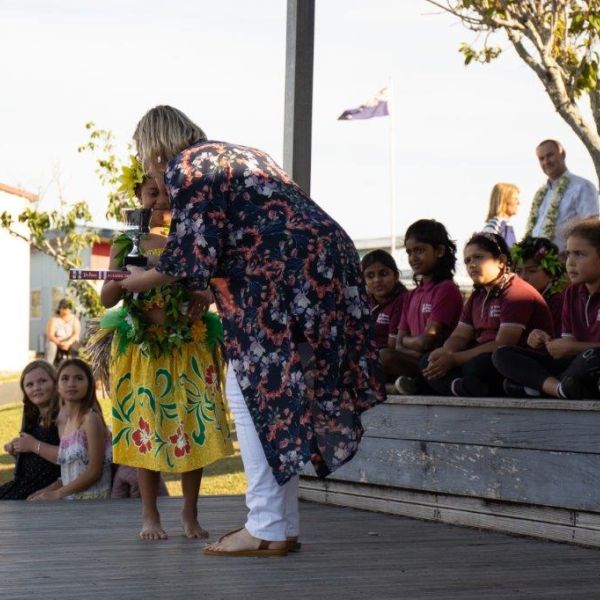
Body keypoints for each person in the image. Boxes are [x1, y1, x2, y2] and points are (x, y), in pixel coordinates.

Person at [120, 105, 385, 557]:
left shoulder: (188, 166)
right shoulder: (244, 155)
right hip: (323, 264)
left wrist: (131, 281)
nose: (151, 169)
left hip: (281, 277)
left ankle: (265, 525)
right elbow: (234, 237)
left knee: (250, 392)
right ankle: (278, 525)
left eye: (146, 157)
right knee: (276, 396)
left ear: (155, 144)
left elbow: (191, 253)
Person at [98, 161, 233, 540]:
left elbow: (211, 287)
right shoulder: (127, 241)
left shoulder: (189, 238)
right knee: (146, 429)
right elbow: (107, 297)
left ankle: (189, 512)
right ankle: (149, 515)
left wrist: (203, 293)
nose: (158, 199)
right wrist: (125, 277)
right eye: (151, 192)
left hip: (187, 346)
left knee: (192, 428)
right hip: (143, 351)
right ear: (138, 197)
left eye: (165, 191)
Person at [416, 232, 553, 397]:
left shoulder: (517, 292)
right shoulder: (478, 295)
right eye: (467, 261)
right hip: (477, 357)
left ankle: (460, 387)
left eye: (478, 257)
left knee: (477, 366)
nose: (471, 265)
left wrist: (454, 359)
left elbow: (502, 345)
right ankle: (459, 387)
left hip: (511, 361)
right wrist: (446, 352)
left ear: (501, 261)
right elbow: (460, 336)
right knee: (428, 360)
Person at [494, 219, 600, 399]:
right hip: (575, 366)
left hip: (592, 363)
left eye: (580, 254)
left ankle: (543, 387)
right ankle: (560, 388)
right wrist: (548, 343)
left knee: (592, 357)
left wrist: (572, 348)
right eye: (568, 254)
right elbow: (568, 347)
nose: (571, 262)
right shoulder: (572, 293)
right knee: (503, 354)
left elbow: (574, 348)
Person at [382, 219, 464, 393]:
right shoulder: (411, 295)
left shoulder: (446, 290)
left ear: (440, 251)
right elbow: (399, 344)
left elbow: (426, 342)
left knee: (383, 356)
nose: (413, 258)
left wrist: (408, 343)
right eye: (409, 252)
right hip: (414, 361)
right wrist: (411, 344)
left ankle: (404, 387)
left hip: (435, 364)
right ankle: (398, 387)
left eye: (419, 250)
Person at [29, 358, 112, 501]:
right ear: (58, 387)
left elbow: (94, 471)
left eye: (79, 378)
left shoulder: (90, 419)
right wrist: (45, 491)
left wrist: (58, 494)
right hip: (71, 499)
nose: (71, 384)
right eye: (65, 379)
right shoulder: (66, 423)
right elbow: (70, 473)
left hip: (93, 501)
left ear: (89, 384)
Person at [0, 360, 61, 500]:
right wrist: (17, 450)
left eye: (42, 381)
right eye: (29, 385)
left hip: (44, 486)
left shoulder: (62, 416)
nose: (36, 388)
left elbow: (71, 457)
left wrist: (33, 445)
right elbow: (36, 459)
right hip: (24, 483)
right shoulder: (32, 416)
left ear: (55, 383)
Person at [526, 139, 599, 251]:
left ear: (563, 154)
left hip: (566, 260)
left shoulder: (582, 186)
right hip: (538, 261)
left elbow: (592, 225)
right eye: (541, 158)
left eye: (550, 155)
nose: (546, 162)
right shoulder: (541, 193)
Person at [511, 236, 567, 338]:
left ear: (551, 275)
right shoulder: (511, 299)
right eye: (518, 271)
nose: (522, 277)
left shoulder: (559, 303)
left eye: (531, 271)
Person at [361, 249, 407, 353]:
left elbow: (392, 346)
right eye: (370, 276)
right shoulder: (364, 300)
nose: (377, 280)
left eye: (383, 274)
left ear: (396, 276)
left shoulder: (401, 301)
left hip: (388, 357)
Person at [482, 183, 519, 248]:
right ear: (504, 200)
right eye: (515, 199)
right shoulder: (495, 225)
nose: (518, 202)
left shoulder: (506, 225)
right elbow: (486, 250)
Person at [45, 298, 81, 366]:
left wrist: (68, 343)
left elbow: (76, 334)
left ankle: (76, 367)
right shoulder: (54, 320)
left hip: (71, 342)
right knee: (51, 346)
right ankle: (48, 367)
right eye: (63, 307)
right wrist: (59, 343)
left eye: (67, 307)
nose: (65, 309)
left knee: (75, 346)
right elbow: (50, 335)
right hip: (57, 342)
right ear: (59, 308)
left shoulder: (74, 319)